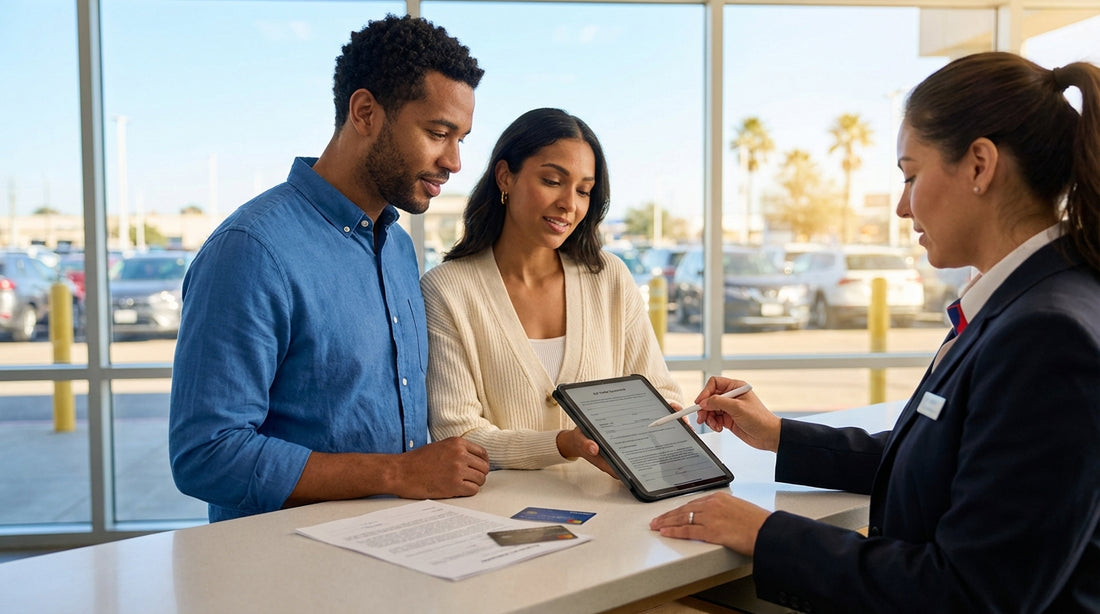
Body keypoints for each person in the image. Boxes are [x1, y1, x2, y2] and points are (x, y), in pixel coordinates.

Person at [651, 52, 1100, 612]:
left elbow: (971, 594)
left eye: (911, 175)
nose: (901, 206)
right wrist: (778, 435)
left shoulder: (1047, 336)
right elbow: (944, 462)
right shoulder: (1024, 302)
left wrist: (767, 533)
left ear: (980, 166)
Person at [169, 15, 491, 522]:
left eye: (461, 139)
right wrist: (397, 473)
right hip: (290, 577)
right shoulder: (250, 251)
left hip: (399, 552)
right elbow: (206, 455)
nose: (453, 162)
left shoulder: (399, 249)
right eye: (437, 133)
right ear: (364, 112)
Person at [421, 108, 683, 472]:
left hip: (611, 516)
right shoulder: (446, 291)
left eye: (584, 190)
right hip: (499, 517)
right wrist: (562, 445)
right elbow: (459, 433)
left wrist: (670, 421)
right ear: (505, 177)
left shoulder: (609, 278)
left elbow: (661, 396)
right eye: (552, 181)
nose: (569, 204)